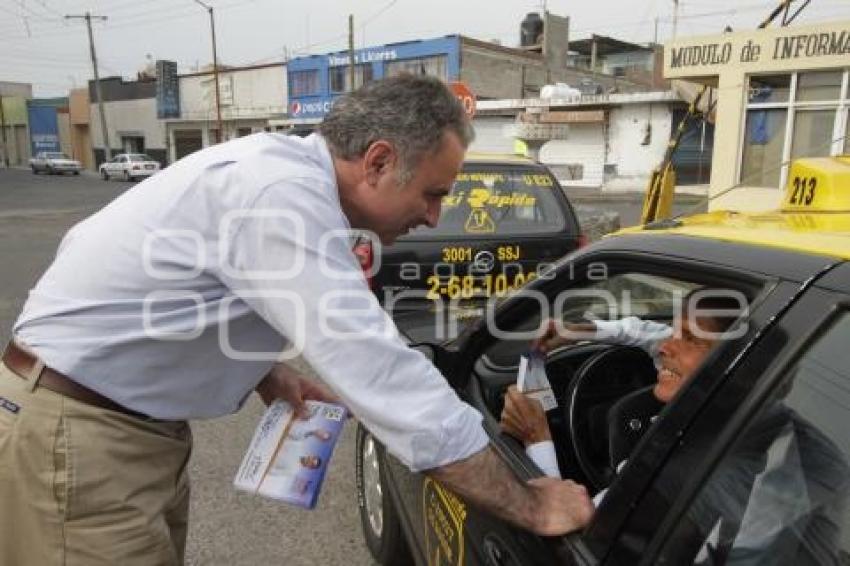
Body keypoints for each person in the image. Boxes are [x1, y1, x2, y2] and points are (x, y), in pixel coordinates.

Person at [0, 75, 591, 566]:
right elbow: (383, 377)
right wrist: (533, 504)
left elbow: (185, 288)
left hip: (109, 428)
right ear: (379, 161)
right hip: (78, 437)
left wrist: (263, 370)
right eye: (433, 194)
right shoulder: (281, 197)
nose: (433, 218)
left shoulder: (276, 173)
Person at [501, 289, 743, 490]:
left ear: (736, 359)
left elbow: (561, 522)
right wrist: (577, 331)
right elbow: (643, 333)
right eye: (673, 330)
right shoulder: (744, 407)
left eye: (690, 338)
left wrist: (536, 437)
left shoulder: (676, 475)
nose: (664, 347)